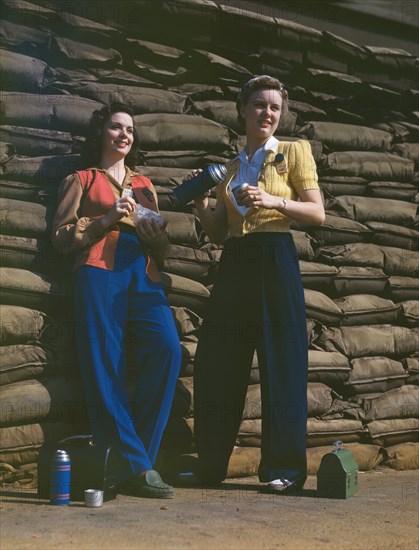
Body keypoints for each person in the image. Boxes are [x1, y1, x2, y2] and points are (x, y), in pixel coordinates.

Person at [186, 75, 325, 493]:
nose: (267, 113)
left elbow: (317, 213)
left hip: (275, 256)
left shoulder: (293, 151)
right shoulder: (229, 167)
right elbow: (218, 233)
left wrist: (274, 201)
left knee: (281, 361)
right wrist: (200, 202)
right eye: (260, 105)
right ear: (242, 110)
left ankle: (285, 468)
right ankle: (211, 465)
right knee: (217, 360)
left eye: (275, 108)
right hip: (236, 260)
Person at [51, 102, 181, 499]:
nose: (124, 134)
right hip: (98, 270)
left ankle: (129, 462)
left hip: (142, 273)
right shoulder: (82, 179)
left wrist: (155, 233)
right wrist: (107, 218)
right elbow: (59, 238)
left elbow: (162, 245)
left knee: (168, 349)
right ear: (101, 134)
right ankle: (141, 467)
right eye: (115, 127)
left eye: (129, 129)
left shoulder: (145, 184)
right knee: (105, 364)